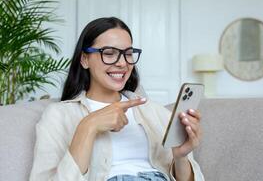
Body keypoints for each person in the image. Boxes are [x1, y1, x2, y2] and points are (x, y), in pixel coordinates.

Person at [30, 17, 204, 181]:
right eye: (109, 53)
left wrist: (180, 157)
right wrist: (88, 126)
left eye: (128, 53)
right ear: (84, 59)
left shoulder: (157, 112)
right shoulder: (58, 115)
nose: (122, 63)